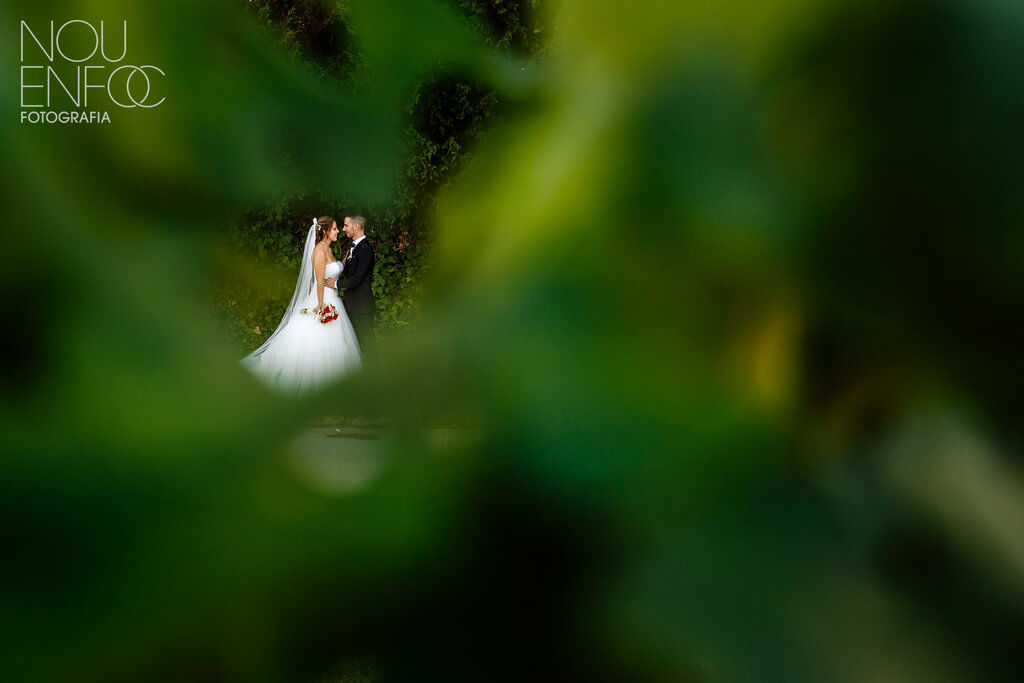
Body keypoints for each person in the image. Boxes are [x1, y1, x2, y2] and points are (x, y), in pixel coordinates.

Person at [242, 216, 362, 394]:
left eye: (338, 228)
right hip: (323, 299)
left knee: (338, 339)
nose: (338, 231)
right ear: (326, 231)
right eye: (335, 228)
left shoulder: (328, 249)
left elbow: (334, 269)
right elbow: (320, 281)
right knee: (320, 338)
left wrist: (345, 260)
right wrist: (321, 305)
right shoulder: (319, 252)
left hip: (334, 299)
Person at [326, 215, 376, 364]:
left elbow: (358, 278)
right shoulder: (353, 247)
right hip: (350, 303)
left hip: (361, 305)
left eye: (346, 225)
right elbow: (347, 271)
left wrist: (335, 284)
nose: (343, 229)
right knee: (353, 341)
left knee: (367, 341)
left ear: (356, 227)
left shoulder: (365, 249)